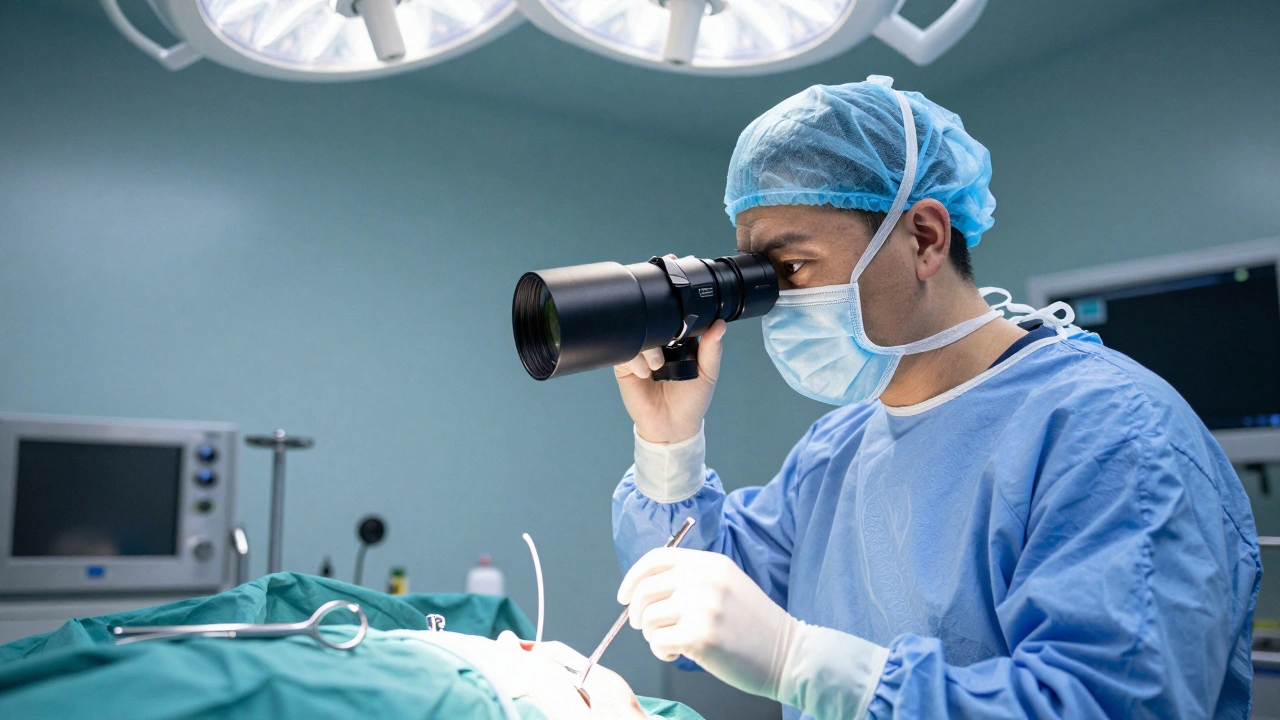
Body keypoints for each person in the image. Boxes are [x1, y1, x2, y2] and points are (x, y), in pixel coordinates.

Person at [609, 76, 1261, 719]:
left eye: (792, 268)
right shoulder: (836, 450)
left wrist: (799, 662)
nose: (775, 301)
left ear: (924, 237)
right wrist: (670, 443)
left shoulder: (1115, 436)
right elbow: (688, 613)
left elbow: (1110, 704)